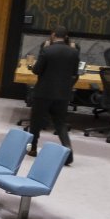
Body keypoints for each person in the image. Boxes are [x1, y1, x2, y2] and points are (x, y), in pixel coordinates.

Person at [28, 27, 78, 163]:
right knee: (60, 123)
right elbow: (75, 72)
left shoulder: (47, 49)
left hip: (43, 92)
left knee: (36, 121)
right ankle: (68, 151)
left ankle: (32, 148)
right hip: (63, 94)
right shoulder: (74, 52)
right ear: (66, 37)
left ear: (53, 35)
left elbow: (37, 70)